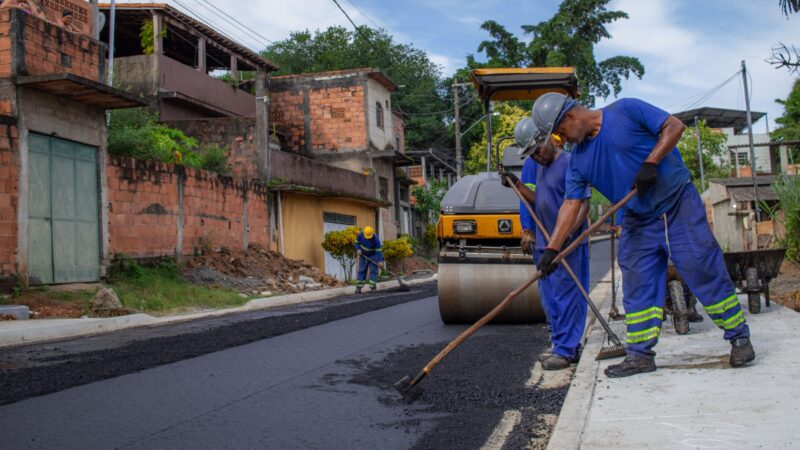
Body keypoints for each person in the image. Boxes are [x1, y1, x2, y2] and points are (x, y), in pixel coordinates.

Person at [531, 92, 754, 377]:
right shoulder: (578, 160)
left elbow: (674, 126)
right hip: (637, 219)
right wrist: (552, 248)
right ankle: (639, 354)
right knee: (637, 282)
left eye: (560, 133)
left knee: (701, 266)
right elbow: (570, 204)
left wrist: (651, 163)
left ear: (571, 116)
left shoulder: (626, 110)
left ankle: (739, 337)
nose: (561, 141)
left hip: (677, 204)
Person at [501, 117, 591, 370]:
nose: (536, 157)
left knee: (567, 298)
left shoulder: (569, 162)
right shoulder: (540, 166)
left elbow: (583, 206)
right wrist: (516, 184)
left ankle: (566, 350)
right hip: (545, 244)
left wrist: (564, 239)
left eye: (537, 150)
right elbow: (538, 199)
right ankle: (561, 345)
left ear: (548, 138)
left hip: (566, 246)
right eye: (531, 154)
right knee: (550, 300)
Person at [355, 226, 383, 294]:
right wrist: (358, 249)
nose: (368, 238)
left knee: (373, 271)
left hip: (373, 256)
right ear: (364, 233)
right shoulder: (360, 235)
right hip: (363, 256)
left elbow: (378, 251)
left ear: (372, 233)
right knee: (361, 270)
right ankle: (358, 288)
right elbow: (356, 243)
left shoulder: (376, 239)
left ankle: (372, 287)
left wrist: (380, 261)